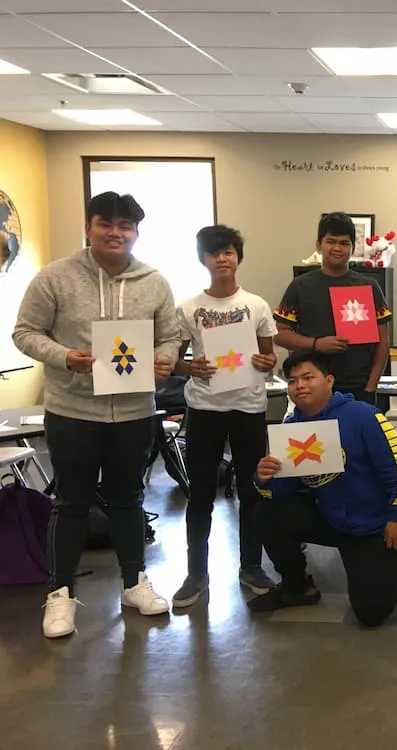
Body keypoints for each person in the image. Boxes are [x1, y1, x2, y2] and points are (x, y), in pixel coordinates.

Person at [12, 191, 181, 638]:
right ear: (88, 227)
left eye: (125, 226)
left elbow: (171, 336)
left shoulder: (154, 282)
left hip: (132, 411)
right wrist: (65, 356)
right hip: (72, 411)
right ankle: (60, 596)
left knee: (128, 500)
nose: (115, 232)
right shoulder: (55, 277)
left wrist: (164, 359)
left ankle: (134, 583)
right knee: (71, 504)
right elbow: (25, 332)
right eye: (105, 223)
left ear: (136, 233)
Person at [249, 349, 397, 626]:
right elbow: (283, 493)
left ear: (329, 380)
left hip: (373, 527)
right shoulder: (291, 428)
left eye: (308, 377)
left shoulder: (364, 416)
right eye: (292, 381)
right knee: (268, 512)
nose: (300, 385)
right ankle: (297, 586)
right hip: (331, 519)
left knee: (371, 614)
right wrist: (264, 478)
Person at [171, 225, 279, 608]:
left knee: (253, 491)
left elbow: (269, 357)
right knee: (200, 494)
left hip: (248, 407)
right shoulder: (187, 309)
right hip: (204, 408)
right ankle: (196, 573)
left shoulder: (257, 305)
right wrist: (190, 368)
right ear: (203, 259)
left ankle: (251, 565)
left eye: (229, 251)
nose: (222, 258)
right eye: (214, 252)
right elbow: (174, 360)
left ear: (238, 256)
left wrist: (267, 362)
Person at [274, 211, 390, 404]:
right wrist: (316, 344)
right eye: (331, 241)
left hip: (358, 389)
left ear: (353, 248)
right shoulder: (300, 286)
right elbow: (280, 335)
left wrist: (371, 386)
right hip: (313, 389)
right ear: (319, 245)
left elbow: (382, 341)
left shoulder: (368, 286)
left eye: (344, 243)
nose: (337, 248)